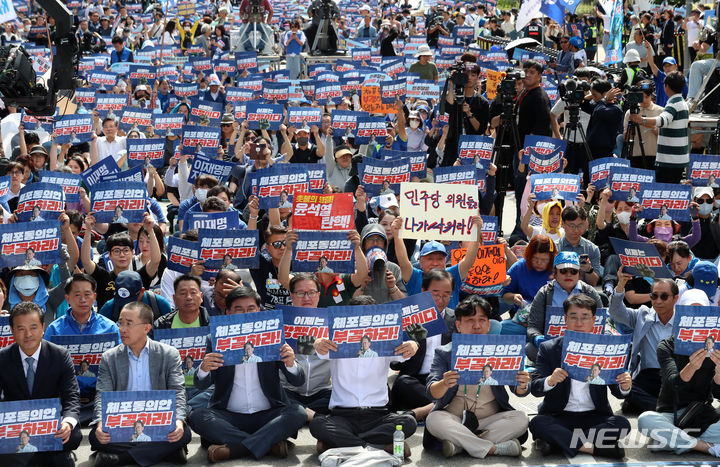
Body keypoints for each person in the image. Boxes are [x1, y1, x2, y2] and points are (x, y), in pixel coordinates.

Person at [187, 286, 306, 462]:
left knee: (298, 413)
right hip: (229, 415)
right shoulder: (216, 339)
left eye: (251, 309)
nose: (245, 313)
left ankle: (235, 448)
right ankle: (268, 444)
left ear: (259, 310)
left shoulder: (273, 335)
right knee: (198, 417)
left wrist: (291, 363)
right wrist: (204, 369)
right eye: (238, 309)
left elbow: (298, 380)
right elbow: (201, 384)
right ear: (227, 312)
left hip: (268, 413)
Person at [309, 298, 419, 457]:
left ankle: (345, 445)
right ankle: (378, 447)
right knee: (317, 425)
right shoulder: (335, 342)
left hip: (378, 416)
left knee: (409, 422)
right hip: (342, 416)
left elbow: (406, 351)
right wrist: (317, 343)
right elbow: (320, 348)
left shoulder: (385, 340)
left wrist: (414, 345)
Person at [424, 296, 529, 458]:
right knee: (434, 419)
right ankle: (493, 448)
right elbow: (431, 392)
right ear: (458, 325)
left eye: (482, 320)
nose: (477, 325)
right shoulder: (445, 352)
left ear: (488, 324)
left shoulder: (502, 350)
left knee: (521, 418)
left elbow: (519, 391)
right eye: (470, 320)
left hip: (491, 420)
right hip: (455, 418)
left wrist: (522, 383)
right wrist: (444, 383)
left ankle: (461, 445)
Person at [530, 294, 632, 459]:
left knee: (622, 424)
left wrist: (625, 385)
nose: (579, 323)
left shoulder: (605, 348)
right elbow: (535, 388)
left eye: (585, 317)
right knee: (537, 423)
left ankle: (557, 442)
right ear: (565, 319)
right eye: (573, 317)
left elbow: (618, 392)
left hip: (595, 416)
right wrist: (550, 380)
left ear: (593, 320)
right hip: (559, 415)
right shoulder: (548, 348)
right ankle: (595, 448)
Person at [90, 302, 192, 466]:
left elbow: (178, 392)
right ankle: (165, 451)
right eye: (120, 323)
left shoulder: (168, 354)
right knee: (96, 436)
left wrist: (179, 421)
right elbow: (102, 395)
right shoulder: (109, 357)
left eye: (128, 324)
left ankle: (120, 458)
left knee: (184, 433)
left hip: (157, 420)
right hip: (122, 421)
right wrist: (101, 424)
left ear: (146, 328)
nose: (122, 328)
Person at [637, 288, 720, 457]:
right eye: (689, 311)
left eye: (700, 311)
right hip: (670, 413)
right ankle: (704, 446)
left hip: (701, 413)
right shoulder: (666, 346)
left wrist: (719, 372)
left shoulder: (715, 345)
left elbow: (718, 392)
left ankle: (672, 440)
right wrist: (692, 366)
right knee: (645, 420)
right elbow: (673, 383)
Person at [0, 302, 82, 466]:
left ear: (43, 327)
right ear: (12, 331)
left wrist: (67, 422)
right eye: (21, 328)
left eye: (33, 327)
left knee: (73, 436)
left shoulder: (60, 355)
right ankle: (47, 457)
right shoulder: (2, 358)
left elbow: (71, 395)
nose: (28, 334)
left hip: (48, 424)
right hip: (16, 425)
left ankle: (27, 458)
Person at [392, 214, 483, 309]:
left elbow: (469, 260)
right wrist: (397, 235)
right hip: (419, 324)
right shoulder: (414, 277)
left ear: (445, 261)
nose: (435, 263)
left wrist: (476, 232)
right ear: (421, 261)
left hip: (449, 323)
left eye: (440, 259)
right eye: (430, 259)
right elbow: (403, 262)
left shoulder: (452, 274)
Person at [526, 252, 603, 361]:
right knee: (530, 348)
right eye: (563, 271)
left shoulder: (590, 292)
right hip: (553, 347)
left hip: (586, 347)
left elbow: (603, 323)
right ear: (555, 272)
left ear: (579, 273)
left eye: (573, 271)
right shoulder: (544, 293)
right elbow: (532, 326)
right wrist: (537, 337)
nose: (568, 275)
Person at [283, 273, 332, 421]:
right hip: (288, 391)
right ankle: (315, 418)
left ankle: (304, 416)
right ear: (292, 295)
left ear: (318, 294)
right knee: (271, 398)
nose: (306, 298)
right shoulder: (280, 322)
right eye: (300, 293)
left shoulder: (333, 322)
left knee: (344, 400)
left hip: (322, 391)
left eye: (311, 292)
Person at [629, 71, 689, 184]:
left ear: (667, 87)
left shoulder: (674, 104)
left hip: (670, 160)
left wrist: (641, 120)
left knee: (665, 191)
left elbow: (662, 120)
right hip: (676, 158)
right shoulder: (681, 102)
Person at [500, 235, 556, 334]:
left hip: (551, 323)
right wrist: (513, 297)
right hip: (523, 322)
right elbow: (504, 295)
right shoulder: (519, 267)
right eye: (535, 259)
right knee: (500, 328)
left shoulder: (558, 270)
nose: (539, 263)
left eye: (544, 260)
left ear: (551, 258)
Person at [442, 61, 489, 166]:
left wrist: (469, 113)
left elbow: (481, 129)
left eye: (473, 75)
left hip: (471, 148)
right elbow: (448, 108)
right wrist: (451, 84)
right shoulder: (454, 96)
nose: (469, 77)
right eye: (466, 74)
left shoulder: (482, 102)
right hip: (452, 145)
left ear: (477, 77)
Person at [556, 205, 602, 286]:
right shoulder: (555, 248)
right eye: (572, 226)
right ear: (562, 224)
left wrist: (589, 270)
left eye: (580, 226)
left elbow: (594, 283)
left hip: (583, 294)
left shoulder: (592, 249)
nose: (576, 230)